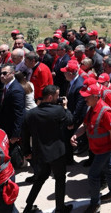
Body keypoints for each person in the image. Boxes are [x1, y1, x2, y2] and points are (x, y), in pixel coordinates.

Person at [21, 85, 74, 213]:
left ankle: (28, 207)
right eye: (57, 96)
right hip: (57, 154)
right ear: (50, 97)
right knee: (60, 179)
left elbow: (25, 135)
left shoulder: (30, 114)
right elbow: (70, 122)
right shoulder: (58, 110)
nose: (59, 98)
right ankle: (60, 208)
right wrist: (65, 107)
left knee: (39, 179)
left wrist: (26, 152)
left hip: (40, 153)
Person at [72, 80, 111, 213]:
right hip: (96, 148)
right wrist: (76, 135)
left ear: (95, 96)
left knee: (93, 176)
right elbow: (85, 125)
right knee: (109, 168)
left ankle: (95, 204)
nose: (84, 98)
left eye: (87, 96)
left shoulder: (105, 111)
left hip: (104, 149)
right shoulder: (92, 108)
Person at [0, 65, 25, 145]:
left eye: (5, 73)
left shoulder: (16, 90)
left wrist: (16, 135)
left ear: (12, 73)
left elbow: (19, 113)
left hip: (11, 129)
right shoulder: (5, 85)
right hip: (4, 124)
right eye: (0, 73)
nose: (1, 76)